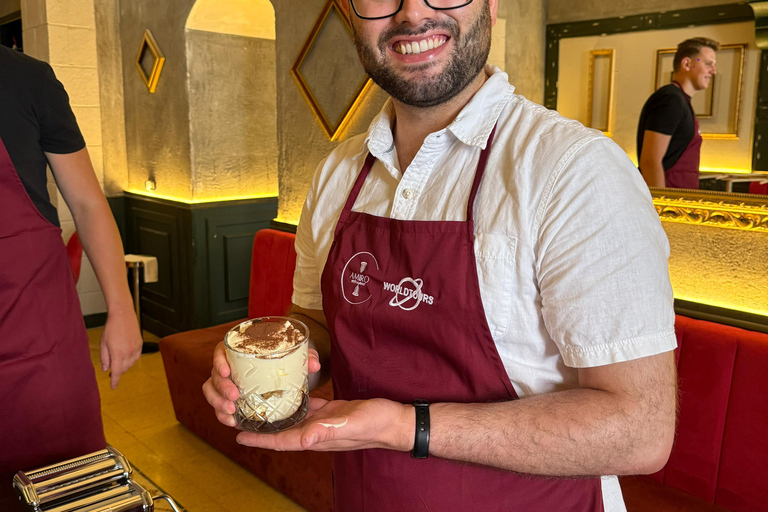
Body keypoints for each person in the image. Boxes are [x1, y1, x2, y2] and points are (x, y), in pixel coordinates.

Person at [204, 1, 678, 510]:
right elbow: (316, 325)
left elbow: (640, 430)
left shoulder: (574, 171)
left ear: (492, 5)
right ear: (349, 11)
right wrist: (271, 371)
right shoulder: (337, 174)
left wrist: (406, 427)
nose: (412, 14)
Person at [0, 45, 143, 507]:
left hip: (39, 343)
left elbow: (87, 203)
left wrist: (122, 312)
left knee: (68, 488)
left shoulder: (27, 79)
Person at [637, 37, 719, 189]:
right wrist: (660, 207)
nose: (713, 71)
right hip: (669, 207)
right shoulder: (670, 100)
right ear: (687, 64)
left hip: (680, 205)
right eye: (708, 64)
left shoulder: (681, 101)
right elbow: (650, 161)